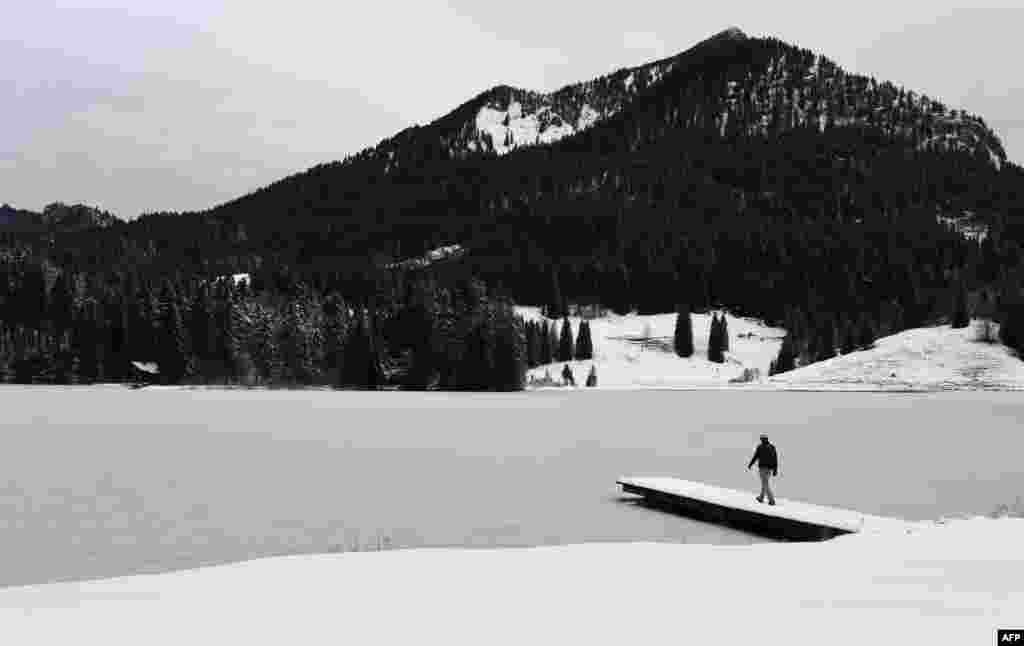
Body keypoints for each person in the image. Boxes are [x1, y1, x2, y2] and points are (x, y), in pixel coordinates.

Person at [747, 434, 778, 505]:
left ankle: (771, 500)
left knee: (765, 484)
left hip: (763, 468)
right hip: (769, 469)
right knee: (764, 483)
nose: (762, 440)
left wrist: (750, 464)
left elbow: (755, 456)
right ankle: (761, 497)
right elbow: (775, 459)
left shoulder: (760, 447)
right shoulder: (772, 447)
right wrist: (775, 470)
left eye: (762, 439)